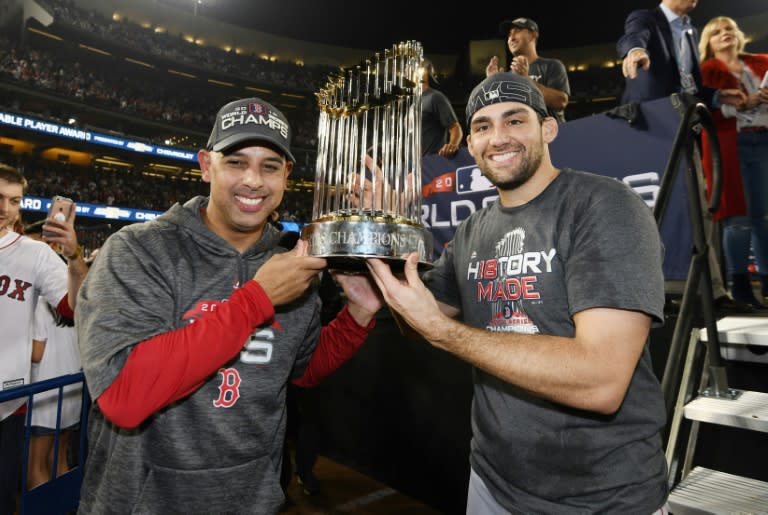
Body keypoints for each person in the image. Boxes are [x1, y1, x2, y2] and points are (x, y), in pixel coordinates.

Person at [366, 72, 670, 513]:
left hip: (605, 499)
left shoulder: (605, 205)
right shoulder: (472, 230)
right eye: (483, 126)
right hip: (492, 485)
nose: (498, 138)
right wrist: (388, 246)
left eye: (515, 120)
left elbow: (602, 382)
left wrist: (443, 332)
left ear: (548, 128)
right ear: (469, 145)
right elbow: (420, 321)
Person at [75, 97, 383, 514]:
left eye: (269, 166)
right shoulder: (138, 251)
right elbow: (124, 397)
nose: (253, 180)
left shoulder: (291, 263)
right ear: (206, 165)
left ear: (287, 175)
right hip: (141, 501)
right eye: (236, 162)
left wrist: (358, 314)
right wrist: (256, 300)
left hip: (251, 500)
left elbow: (301, 369)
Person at [616, 0, 751, 314]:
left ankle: (713, 290)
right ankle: (654, 292)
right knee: (650, 209)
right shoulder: (646, 19)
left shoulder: (690, 30)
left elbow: (690, 84)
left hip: (682, 125)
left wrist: (717, 96)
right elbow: (633, 37)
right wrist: (634, 51)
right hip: (648, 127)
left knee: (696, 205)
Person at [0, 163, 86, 515]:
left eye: (14, 201)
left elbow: (75, 308)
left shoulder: (35, 253)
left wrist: (74, 258)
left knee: (3, 499)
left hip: (8, 399)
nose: (4, 208)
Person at [698, 16, 768, 308]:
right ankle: (739, 284)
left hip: (763, 141)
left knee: (764, 219)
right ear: (708, 44)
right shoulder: (705, 72)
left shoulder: (762, 62)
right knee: (737, 219)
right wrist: (742, 104)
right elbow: (702, 114)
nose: (725, 34)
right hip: (728, 144)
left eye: (729, 29)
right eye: (717, 32)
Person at [24, 219, 84, 490]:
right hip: (71, 387)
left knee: (35, 466)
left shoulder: (36, 293)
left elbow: (36, 352)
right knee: (60, 460)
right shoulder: (72, 288)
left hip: (44, 392)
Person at [486, 17, 570, 123]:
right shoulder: (507, 76)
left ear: (532, 35)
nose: (511, 38)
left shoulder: (552, 65)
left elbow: (561, 102)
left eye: (517, 31)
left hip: (554, 136)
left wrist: (525, 80)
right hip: (523, 137)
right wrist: (491, 84)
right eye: (509, 34)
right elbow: (495, 107)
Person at [420, 60, 463, 157]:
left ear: (424, 72)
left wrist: (452, 146)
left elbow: (455, 128)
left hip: (432, 163)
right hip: (414, 165)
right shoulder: (413, 103)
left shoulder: (435, 97)